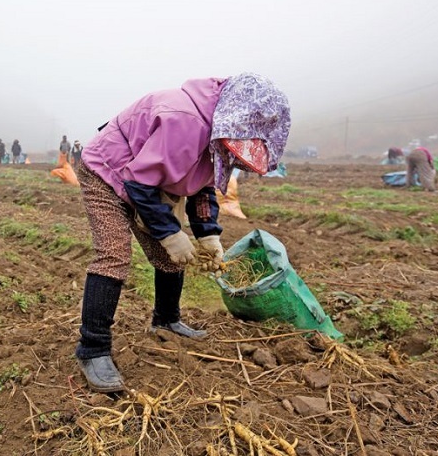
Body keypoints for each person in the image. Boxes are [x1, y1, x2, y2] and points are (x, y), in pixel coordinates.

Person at [74, 73, 291, 393]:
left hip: (145, 181)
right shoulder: (185, 122)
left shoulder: (216, 137)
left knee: (171, 254)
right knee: (114, 254)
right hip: (107, 173)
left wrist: (208, 234)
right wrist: (169, 233)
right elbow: (138, 182)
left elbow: (203, 188)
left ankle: (166, 319)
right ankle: (92, 349)